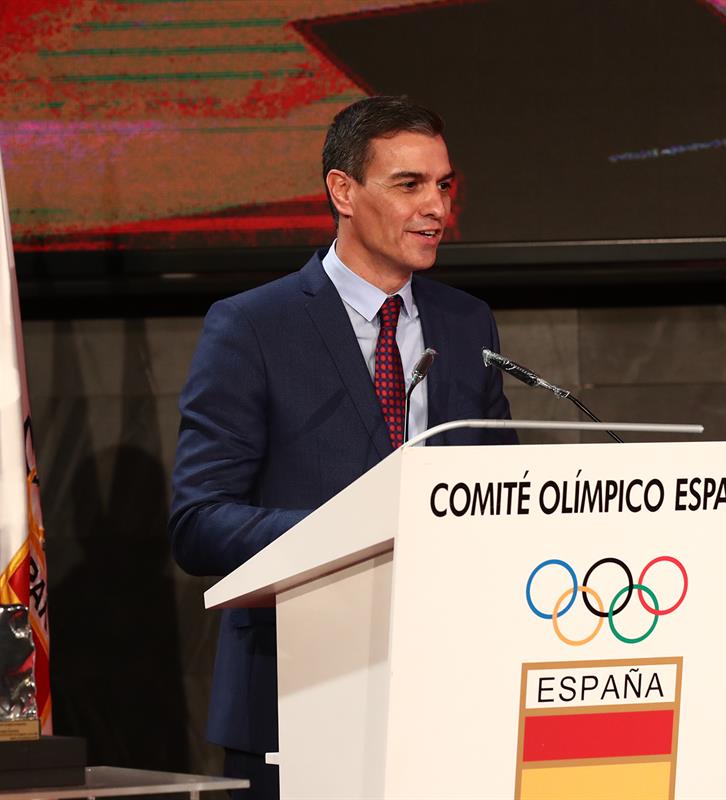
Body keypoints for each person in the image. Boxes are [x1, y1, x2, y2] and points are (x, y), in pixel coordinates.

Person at [169, 96, 516, 799]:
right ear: (343, 191)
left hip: (451, 698)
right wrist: (355, 535)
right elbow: (198, 524)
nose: (437, 210)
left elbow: (501, 498)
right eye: (409, 185)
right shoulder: (252, 327)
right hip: (299, 697)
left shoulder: (466, 320)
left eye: (443, 185)